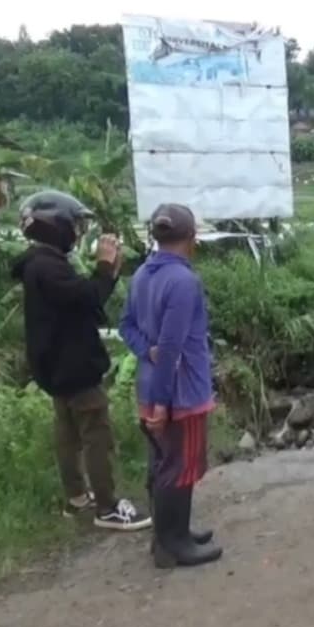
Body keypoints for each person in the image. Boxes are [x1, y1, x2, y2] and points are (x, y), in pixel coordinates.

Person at [10, 190, 152, 532]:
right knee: (96, 436)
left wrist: (108, 272)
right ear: (54, 226)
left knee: (68, 434)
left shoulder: (38, 262)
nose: (77, 232)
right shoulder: (49, 266)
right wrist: (104, 266)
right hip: (74, 366)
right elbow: (88, 301)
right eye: (73, 225)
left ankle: (76, 498)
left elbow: (84, 300)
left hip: (56, 367)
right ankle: (107, 507)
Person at [120, 204, 221, 568]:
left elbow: (125, 327)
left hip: (150, 387)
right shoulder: (183, 282)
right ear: (192, 239)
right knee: (181, 466)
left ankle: (171, 533)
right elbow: (174, 347)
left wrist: (145, 350)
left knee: (162, 464)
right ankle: (173, 542)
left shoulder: (142, 274)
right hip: (180, 394)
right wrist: (165, 402)